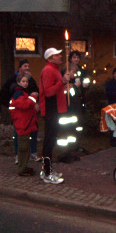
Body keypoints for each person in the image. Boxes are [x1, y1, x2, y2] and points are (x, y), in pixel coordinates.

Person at [39, 48, 71, 184]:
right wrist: (62, 82)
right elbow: (48, 92)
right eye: (57, 55)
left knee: (51, 140)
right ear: (50, 58)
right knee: (49, 141)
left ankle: (47, 169)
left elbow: (56, 89)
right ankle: (46, 172)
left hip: (55, 109)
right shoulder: (48, 70)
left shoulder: (54, 69)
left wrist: (63, 86)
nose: (60, 56)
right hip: (51, 109)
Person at [0, 59, 40, 164]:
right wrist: (11, 104)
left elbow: (36, 91)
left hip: (30, 112)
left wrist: (36, 103)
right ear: (20, 68)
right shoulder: (12, 81)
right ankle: (18, 155)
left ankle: (32, 153)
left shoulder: (31, 80)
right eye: (25, 66)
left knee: (33, 131)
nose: (27, 68)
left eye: (28, 66)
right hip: (20, 114)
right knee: (18, 133)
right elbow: (4, 94)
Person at [9, 74, 38, 176]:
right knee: (24, 148)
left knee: (25, 148)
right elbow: (25, 105)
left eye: (26, 81)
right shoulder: (18, 93)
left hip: (24, 123)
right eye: (23, 81)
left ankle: (24, 166)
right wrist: (34, 97)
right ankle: (22, 169)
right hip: (23, 124)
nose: (25, 83)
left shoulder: (21, 92)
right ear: (19, 82)